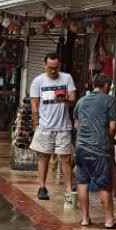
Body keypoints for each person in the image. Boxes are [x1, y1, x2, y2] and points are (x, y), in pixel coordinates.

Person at [74, 73, 116, 228]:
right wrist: (108, 139)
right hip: (99, 149)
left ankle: (85, 219)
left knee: (82, 182)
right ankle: (109, 221)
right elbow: (113, 127)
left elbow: (77, 124)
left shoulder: (81, 101)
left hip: (81, 148)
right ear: (107, 86)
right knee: (104, 185)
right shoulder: (109, 101)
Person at [29, 53, 76, 201]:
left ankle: (69, 188)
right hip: (45, 126)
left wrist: (66, 98)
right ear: (45, 66)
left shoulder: (67, 78)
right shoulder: (38, 81)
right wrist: (36, 124)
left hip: (63, 126)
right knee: (44, 157)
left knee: (66, 158)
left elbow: (73, 99)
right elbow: (34, 104)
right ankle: (42, 187)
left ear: (59, 66)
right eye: (50, 68)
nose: (53, 71)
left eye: (56, 68)